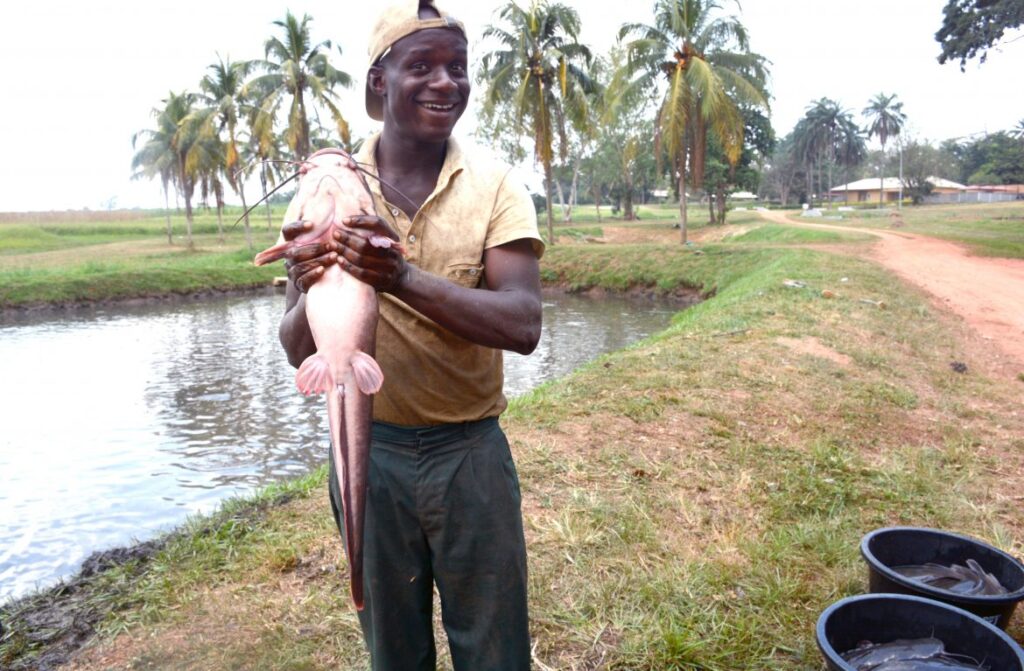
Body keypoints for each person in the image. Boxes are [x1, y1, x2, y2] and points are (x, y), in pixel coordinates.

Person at [276, 1, 544, 669]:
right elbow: (296, 348)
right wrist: (307, 278)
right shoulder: (328, 188)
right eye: (421, 65)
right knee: (394, 652)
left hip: (471, 453)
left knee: (495, 648)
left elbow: (523, 323)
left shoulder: (495, 186)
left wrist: (400, 277)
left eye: (458, 67)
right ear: (379, 82)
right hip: (374, 453)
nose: (445, 81)